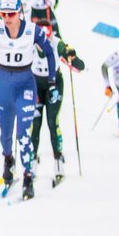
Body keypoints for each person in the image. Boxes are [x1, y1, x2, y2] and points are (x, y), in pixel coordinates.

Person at [0, 0, 57, 200]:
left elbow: (50, 52)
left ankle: (28, 175)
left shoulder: (32, 29)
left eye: (12, 14)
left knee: (24, 133)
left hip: (25, 83)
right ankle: (8, 160)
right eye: (4, 14)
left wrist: (52, 82)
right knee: (5, 134)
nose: (7, 18)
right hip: (3, 85)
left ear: (20, 13)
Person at [29, 18, 84, 182]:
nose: (43, 44)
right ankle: (32, 160)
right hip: (36, 85)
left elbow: (80, 66)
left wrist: (72, 56)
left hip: (54, 85)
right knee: (35, 124)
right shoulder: (29, 42)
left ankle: (58, 159)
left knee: (52, 121)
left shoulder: (58, 43)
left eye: (48, 37)